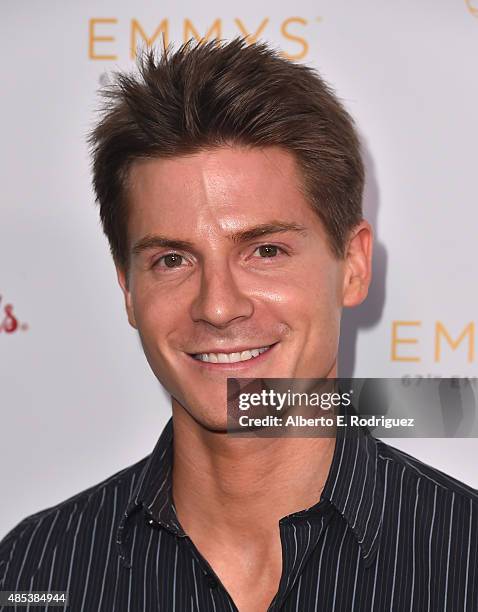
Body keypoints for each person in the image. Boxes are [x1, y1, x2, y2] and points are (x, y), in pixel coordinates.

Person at [0, 38, 476, 612]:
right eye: (172, 260)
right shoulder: (34, 570)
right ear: (128, 290)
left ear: (353, 266)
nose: (218, 306)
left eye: (266, 250)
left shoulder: (465, 558)